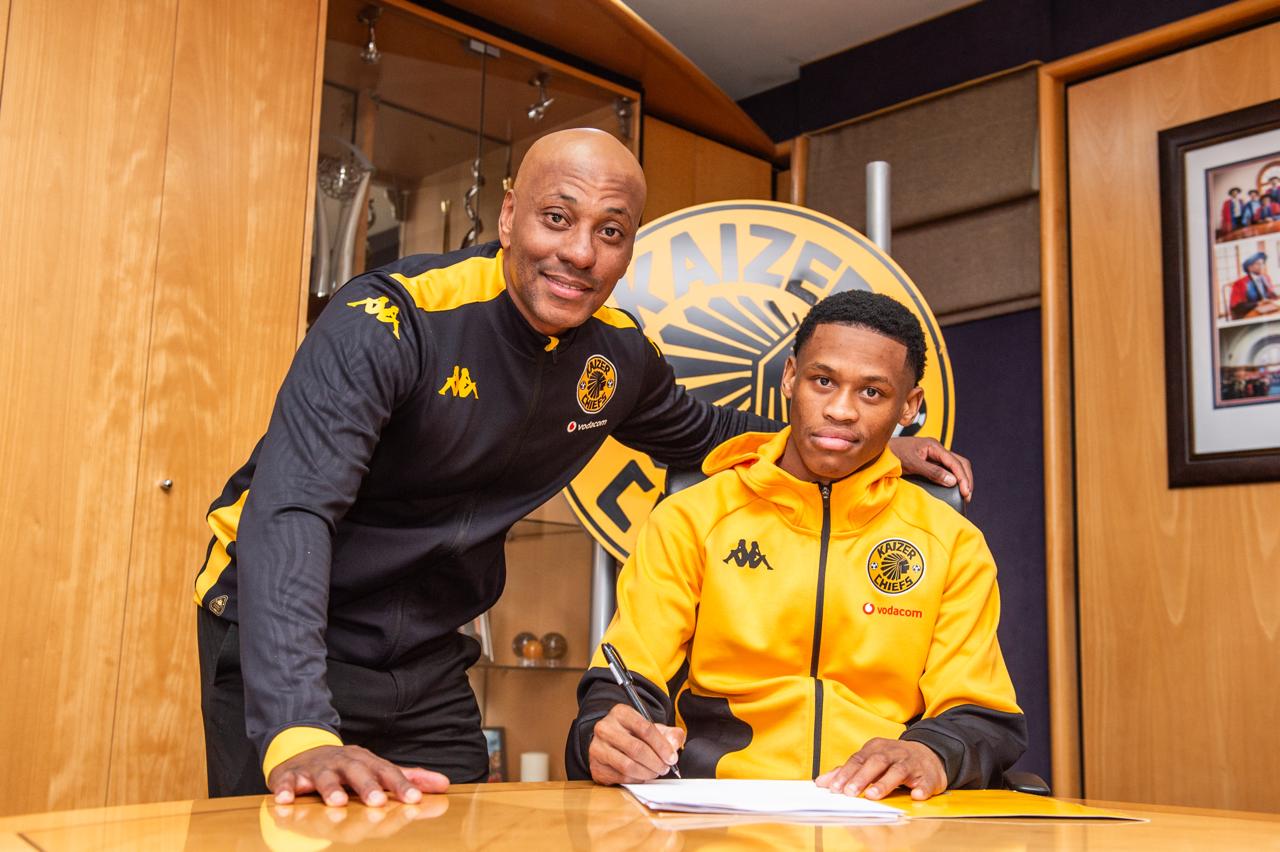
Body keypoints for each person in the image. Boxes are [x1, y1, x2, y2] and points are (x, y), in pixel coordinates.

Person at [194, 128, 974, 808]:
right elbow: (292, 512)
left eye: (611, 231)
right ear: (508, 216)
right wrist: (299, 729)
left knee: (456, 834)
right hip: (288, 627)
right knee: (295, 834)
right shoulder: (392, 319)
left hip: (427, 653)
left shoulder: (617, 355)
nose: (579, 253)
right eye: (557, 218)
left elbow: (705, 433)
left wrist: (862, 441)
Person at [566, 289, 1025, 801]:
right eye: (823, 381)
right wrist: (606, 736)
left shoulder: (952, 542)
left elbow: (980, 713)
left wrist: (933, 754)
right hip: (720, 811)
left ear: (908, 406)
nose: (841, 410)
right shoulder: (690, 519)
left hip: (882, 812)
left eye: (872, 392)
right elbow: (626, 680)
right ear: (789, 377)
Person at [1229, 251, 1276, 319]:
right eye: (1258, 264)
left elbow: (1272, 294)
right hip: (1249, 313)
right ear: (1249, 267)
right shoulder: (1240, 283)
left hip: (1267, 310)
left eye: (1262, 263)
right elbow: (1236, 306)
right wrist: (1257, 303)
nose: (1262, 266)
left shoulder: (1266, 278)